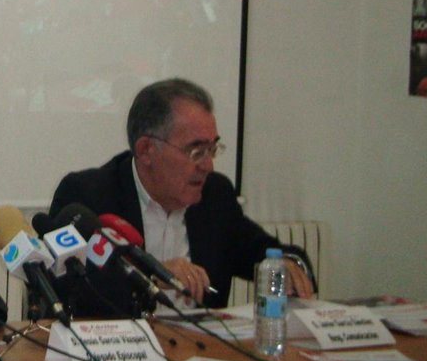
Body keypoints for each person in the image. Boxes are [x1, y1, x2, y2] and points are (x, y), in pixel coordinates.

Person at [49, 78, 314, 317]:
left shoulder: (215, 196)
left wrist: (289, 265)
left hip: (200, 349)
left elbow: (269, 252)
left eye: (212, 149)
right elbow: (63, 287)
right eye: (196, 152)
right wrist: (153, 275)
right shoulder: (87, 197)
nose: (208, 165)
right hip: (118, 350)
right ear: (146, 150)